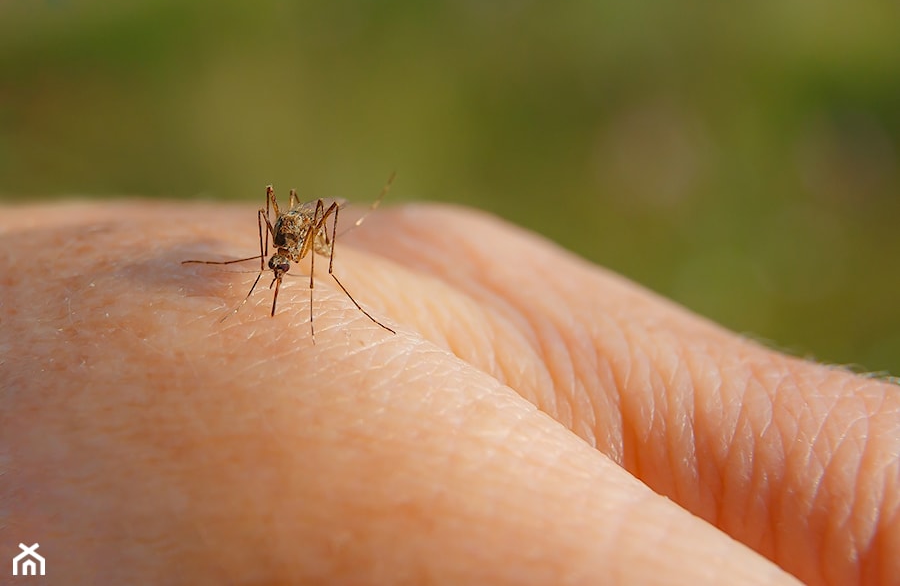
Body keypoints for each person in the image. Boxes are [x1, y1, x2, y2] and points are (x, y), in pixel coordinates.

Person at [2, 200, 897, 585]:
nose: (276, 268)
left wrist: (319, 273)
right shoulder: (266, 244)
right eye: (276, 260)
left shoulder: (307, 242)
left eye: (280, 260)